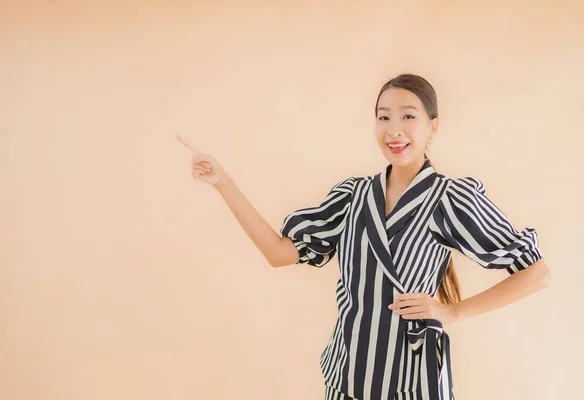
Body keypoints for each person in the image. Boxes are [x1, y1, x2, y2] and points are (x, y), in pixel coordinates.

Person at [176, 73, 551, 400]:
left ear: (433, 126)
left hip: (413, 381)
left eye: (408, 116)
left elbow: (536, 273)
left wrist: (453, 311)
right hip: (347, 375)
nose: (394, 129)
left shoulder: (450, 198)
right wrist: (222, 181)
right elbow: (279, 252)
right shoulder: (352, 195)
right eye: (383, 117)